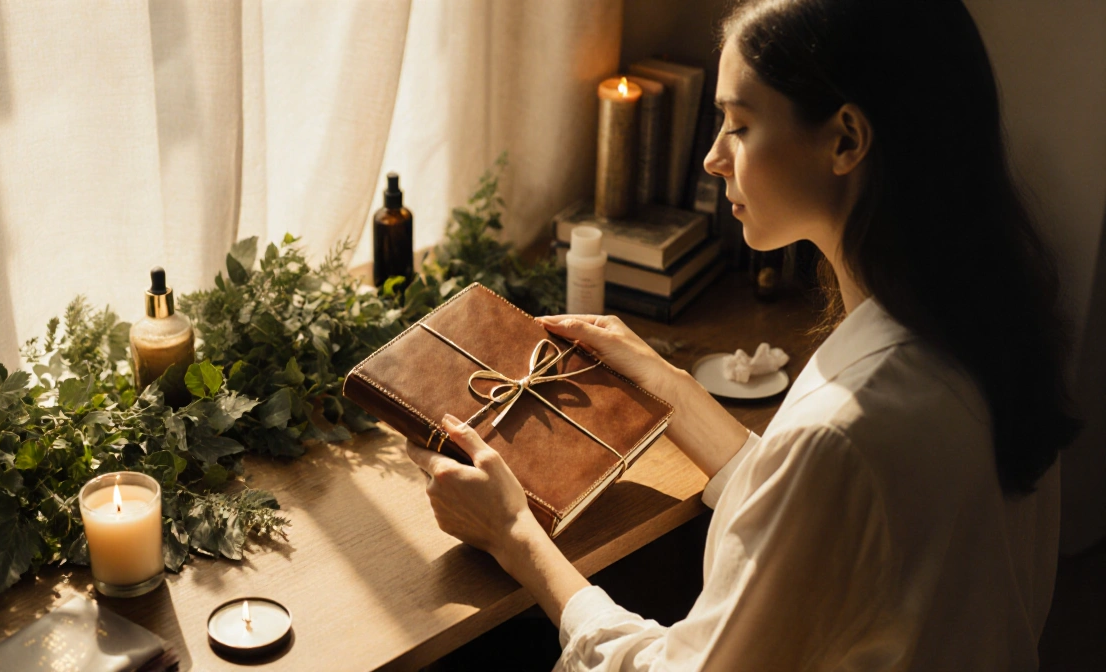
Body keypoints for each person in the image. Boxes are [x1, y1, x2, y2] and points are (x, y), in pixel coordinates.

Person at [408, 0, 1081, 669]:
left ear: (846, 139)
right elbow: (821, 522)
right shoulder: (985, 331)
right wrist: (666, 387)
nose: (712, 159)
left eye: (739, 125)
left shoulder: (843, 433)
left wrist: (514, 534)